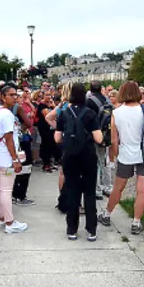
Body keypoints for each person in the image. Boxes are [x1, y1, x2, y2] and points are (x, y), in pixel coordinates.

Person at [98, 81, 144, 235]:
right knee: (141, 190)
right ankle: (136, 222)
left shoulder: (117, 112)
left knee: (118, 187)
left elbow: (115, 139)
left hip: (126, 154)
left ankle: (107, 214)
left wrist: (116, 156)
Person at [55, 82, 103, 240]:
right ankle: (91, 230)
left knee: (73, 192)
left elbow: (57, 138)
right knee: (89, 193)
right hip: (88, 156)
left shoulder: (64, 113)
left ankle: (71, 229)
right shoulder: (90, 113)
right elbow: (98, 138)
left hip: (70, 157)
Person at [0, 82, 28, 233]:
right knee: (6, 190)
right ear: (2, 97)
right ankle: (10, 223)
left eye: (16, 95)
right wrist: (15, 159)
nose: (15, 97)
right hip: (6, 158)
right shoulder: (6, 114)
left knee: (0, 188)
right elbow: (9, 139)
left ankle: (1, 218)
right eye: (11, 95)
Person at [86, 81, 113, 199]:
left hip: (95, 133)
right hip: (107, 133)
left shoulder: (90, 101)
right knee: (105, 162)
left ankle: (97, 189)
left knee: (95, 162)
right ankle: (108, 187)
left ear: (90, 89)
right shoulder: (107, 100)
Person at [13, 87, 36, 207]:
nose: (23, 98)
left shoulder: (7, 109)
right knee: (26, 166)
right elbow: (28, 123)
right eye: (21, 96)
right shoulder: (18, 108)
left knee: (19, 168)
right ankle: (20, 196)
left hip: (16, 142)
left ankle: (16, 194)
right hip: (23, 141)